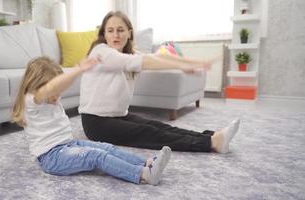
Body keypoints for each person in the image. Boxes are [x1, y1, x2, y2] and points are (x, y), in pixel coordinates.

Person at [79, 11, 240, 153]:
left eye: (120, 30)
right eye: (110, 30)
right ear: (104, 34)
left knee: (158, 126)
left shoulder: (129, 53)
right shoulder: (101, 52)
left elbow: (157, 57)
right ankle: (210, 143)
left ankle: (212, 136)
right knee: (149, 133)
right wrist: (181, 65)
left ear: (129, 33)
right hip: (96, 122)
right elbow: (146, 62)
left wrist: (192, 63)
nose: (116, 35)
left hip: (118, 115)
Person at [12, 56, 172, 185]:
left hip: (69, 143)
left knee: (106, 148)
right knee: (96, 156)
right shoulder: (32, 100)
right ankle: (144, 174)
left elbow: (56, 86)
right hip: (51, 157)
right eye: (56, 91)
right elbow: (49, 89)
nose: (58, 95)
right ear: (35, 85)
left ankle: (147, 163)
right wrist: (78, 69)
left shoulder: (50, 97)